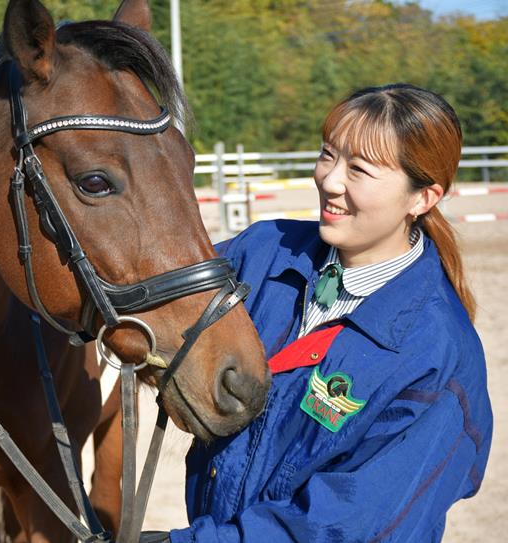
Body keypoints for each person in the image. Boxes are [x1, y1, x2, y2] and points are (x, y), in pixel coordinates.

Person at [165, 84, 493, 542]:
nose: (330, 180)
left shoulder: (438, 358)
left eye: (359, 169)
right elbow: (149, 293)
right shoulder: (262, 251)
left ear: (423, 198)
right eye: (328, 155)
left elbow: (350, 524)